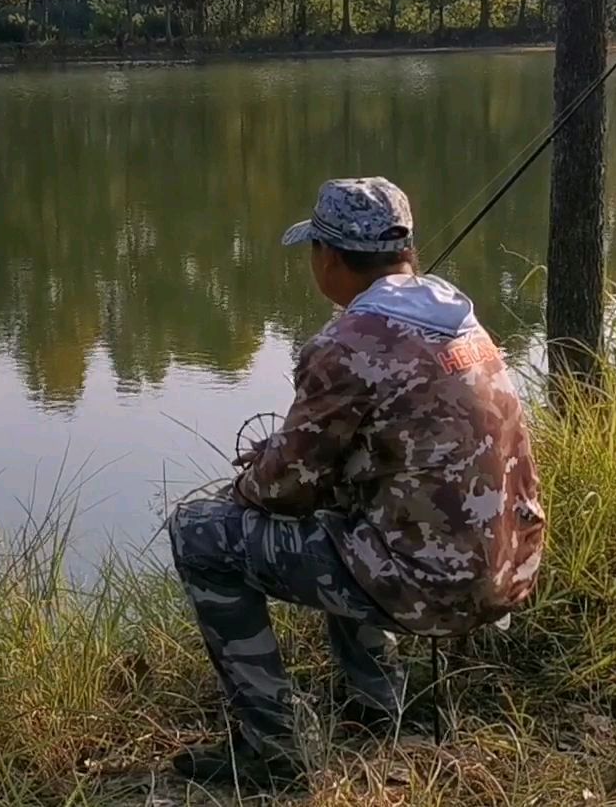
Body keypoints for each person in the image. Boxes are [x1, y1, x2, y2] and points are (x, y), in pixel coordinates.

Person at [166, 176, 545, 789]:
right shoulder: (461, 318)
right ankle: (378, 705)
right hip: (511, 570)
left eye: (315, 252)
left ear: (332, 258)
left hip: (436, 588)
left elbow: (281, 491)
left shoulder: (346, 345)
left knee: (198, 535)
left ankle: (275, 752)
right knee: (347, 512)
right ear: (405, 252)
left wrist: (257, 473)